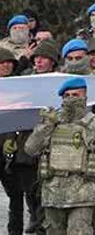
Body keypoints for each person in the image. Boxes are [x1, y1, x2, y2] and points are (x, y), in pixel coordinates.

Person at [25, 77, 95, 235]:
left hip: (83, 195)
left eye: (75, 95)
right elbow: (31, 149)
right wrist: (46, 126)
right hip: (52, 195)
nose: (71, 99)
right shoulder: (52, 122)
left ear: (85, 97)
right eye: (67, 96)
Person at [0, 48, 39, 235]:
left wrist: (11, 139)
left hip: (14, 150)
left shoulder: (20, 86)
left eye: (10, 62)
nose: (6, 65)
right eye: (2, 62)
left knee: (17, 196)